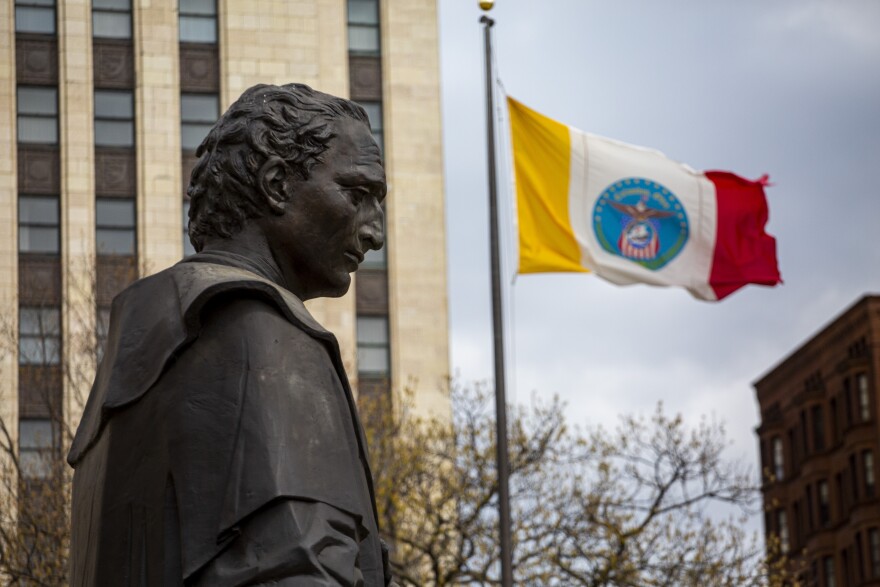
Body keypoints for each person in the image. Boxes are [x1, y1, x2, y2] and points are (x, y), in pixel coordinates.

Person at [68, 83, 395, 586]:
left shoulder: (135, 352)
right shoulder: (261, 331)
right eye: (357, 194)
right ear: (276, 184)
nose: (374, 232)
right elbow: (298, 570)